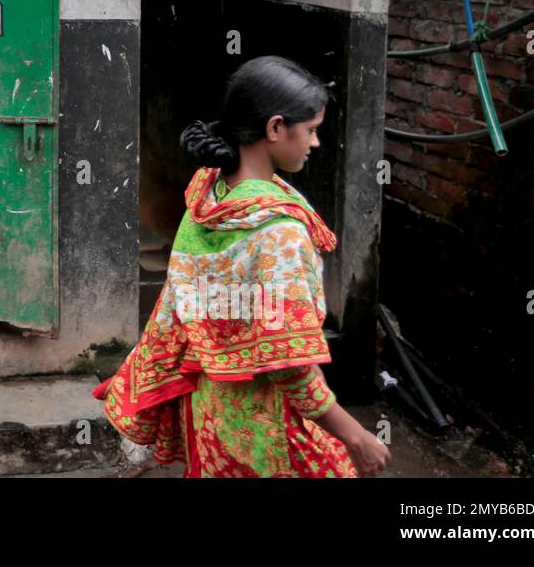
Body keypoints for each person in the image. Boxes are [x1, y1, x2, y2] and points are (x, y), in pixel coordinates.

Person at [94, 55, 391, 478]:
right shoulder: (278, 233)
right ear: (274, 128)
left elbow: (184, 302)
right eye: (310, 130)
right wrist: (355, 435)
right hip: (260, 420)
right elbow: (289, 365)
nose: (316, 143)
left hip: (208, 407)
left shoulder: (208, 196)